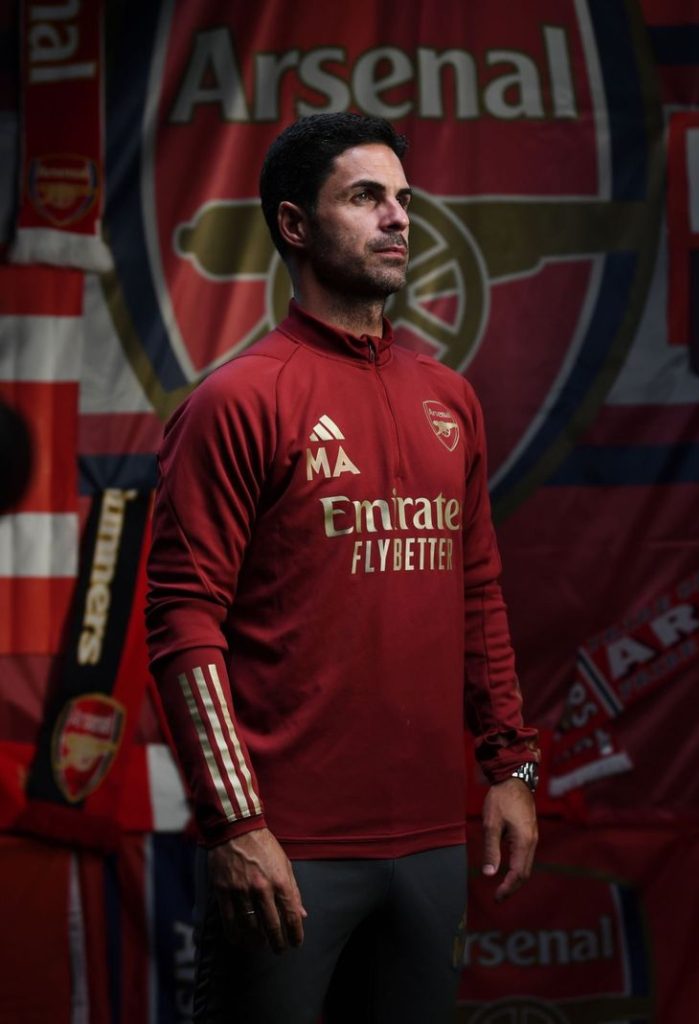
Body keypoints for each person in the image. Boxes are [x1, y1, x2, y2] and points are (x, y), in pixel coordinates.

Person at [146, 112, 540, 1024]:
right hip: (288, 849)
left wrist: (512, 770)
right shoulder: (237, 400)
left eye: (402, 198)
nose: (397, 217)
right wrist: (236, 825)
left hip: (431, 846)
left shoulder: (450, 399)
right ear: (294, 225)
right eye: (365, 197)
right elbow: (182, 622)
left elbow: (478, 595)